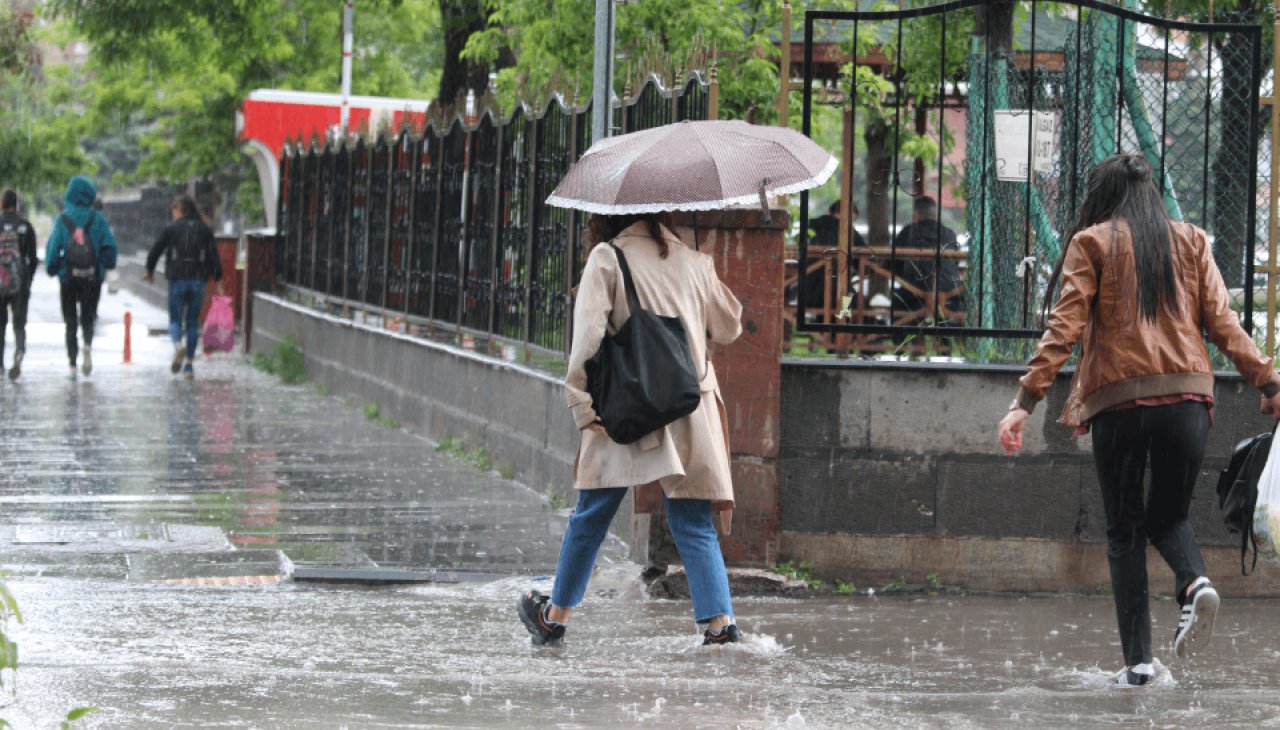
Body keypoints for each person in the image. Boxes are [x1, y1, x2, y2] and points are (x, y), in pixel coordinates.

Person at [997, 153, 1280, 686]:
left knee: (1124, 530)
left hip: (1120, 404)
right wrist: (1269, 382)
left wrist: (1025, 402)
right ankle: (1195, 584)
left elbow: (1064, 328)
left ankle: (1140, 667)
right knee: (1169, 517)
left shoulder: (1092, 242)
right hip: (1190, 402)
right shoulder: (1192, 240)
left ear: (1102, 197)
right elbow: (1223, 323)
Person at [517, 212, 744, 647]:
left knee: (591, 515)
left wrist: (580, 403)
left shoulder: (608, 258)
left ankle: (554, 617)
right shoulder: (695, 262)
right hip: (688, 406)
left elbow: (587, 339)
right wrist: (698, 268)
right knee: (694, 521)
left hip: (629, 406)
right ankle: (720, 627)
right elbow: (730, 327)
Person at [45, 176, 118, 379]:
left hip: (68, 278)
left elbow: (53, 249)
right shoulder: (98, 219)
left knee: (70, 321)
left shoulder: (62, 219)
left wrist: (53, 268)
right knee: (88, 317)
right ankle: (87, 344)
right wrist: (105, 265)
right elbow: (110, 247)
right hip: (92, 278)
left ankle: (72, 366)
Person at [144, 195, 223, 379]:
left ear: (181, 209)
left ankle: (178, 346)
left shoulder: (172, 229)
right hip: (198, 280)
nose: (173, 215)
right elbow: (213, 256)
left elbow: (156, 250)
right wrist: (218, 280)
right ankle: (188, 366)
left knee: (175, 319)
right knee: (193, 322)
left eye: (174, 211)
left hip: (177, 279)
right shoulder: (205, 230)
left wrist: (150, 271)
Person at [891, 195, 963, 320]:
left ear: (916, 214)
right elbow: (955, 263)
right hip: (949, 291)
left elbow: (892, 261)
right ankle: (949, 335)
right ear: (935, 214)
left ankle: (902, 337)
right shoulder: (949, 233)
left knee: (898, 301)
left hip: (914, 292)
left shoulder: (908, 232)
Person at [0, 189, 37, 381]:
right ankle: (19, 351)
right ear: (17, 205)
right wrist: (27, 283)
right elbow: (32, 259)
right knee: (19, 324)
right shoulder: (26, 226)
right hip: (19, 283)